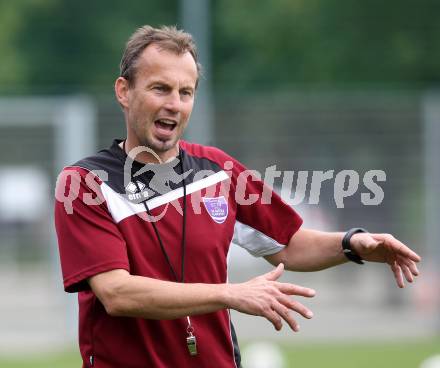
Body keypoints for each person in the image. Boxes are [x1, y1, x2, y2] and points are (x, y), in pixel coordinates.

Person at [54, 25, 421, 368]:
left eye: (186, 92)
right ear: (124, 91)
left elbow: (288, 244)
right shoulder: (86, 184)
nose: (175, 104)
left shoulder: (217, 168)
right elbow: (117, 293)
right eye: (160, 89)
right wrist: (228, 294)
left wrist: (352, 244)